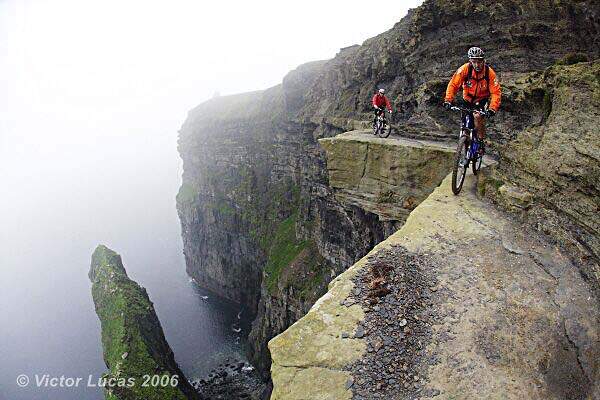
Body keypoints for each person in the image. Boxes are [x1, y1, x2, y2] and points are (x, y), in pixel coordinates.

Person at [443, 47, 501, 155]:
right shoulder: (465, 69)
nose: (477, 65)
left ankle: (480, 141)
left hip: (481, 100)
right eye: (474, 62)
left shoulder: (489, 73)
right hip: (467, 99)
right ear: (470, 61)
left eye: (479, 61)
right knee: (465, 125)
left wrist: (492, 108)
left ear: (483, 61)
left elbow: (496, 93)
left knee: (478, 117)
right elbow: (453, 85)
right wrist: (448, 100)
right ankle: (464, 144)